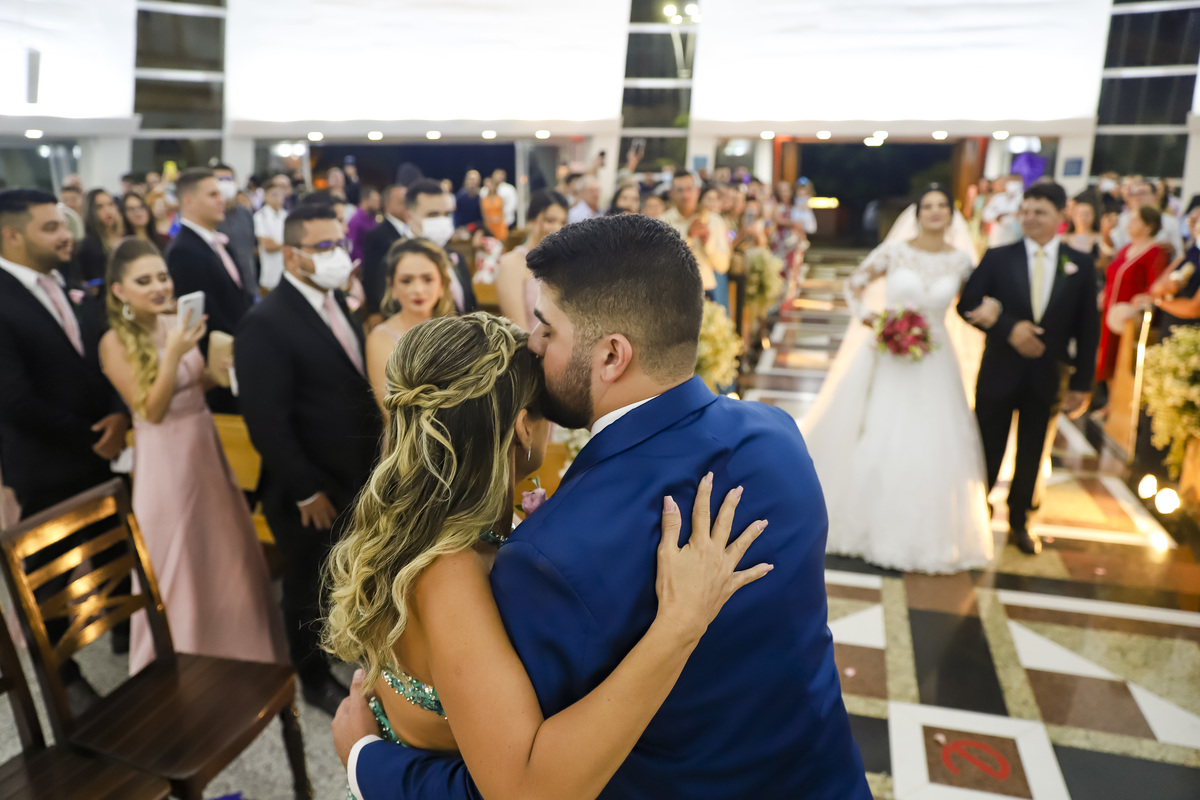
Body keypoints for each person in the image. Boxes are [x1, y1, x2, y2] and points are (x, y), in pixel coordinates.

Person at [338, 214, 871, 800]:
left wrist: (368, 762)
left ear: (612, 355)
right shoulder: (778, 435)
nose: (534, 344)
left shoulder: (550, 554)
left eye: (546, 328)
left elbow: (524, 785)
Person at [327, 311, 772, 799]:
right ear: (523, 427)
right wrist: (681, 624)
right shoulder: (449, 570)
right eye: (546, 410)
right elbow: (526, 790)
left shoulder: (422, 521)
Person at [98, 239, 286, 675]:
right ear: (119, 291)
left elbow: (193, 385)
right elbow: (151, 410)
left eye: (162, 277)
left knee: (221, 548)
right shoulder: (114, 342)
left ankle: (240, 651)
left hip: (203, 444)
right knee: (177, 557)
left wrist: (220, 370)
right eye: (144, 281)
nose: (159, 287)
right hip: (164, 459)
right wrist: (174, 353)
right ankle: (179, 664)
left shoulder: (174, 322)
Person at [235, 203, 383, 715]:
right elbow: (266, 421)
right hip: (308, 483)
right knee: (307, 581)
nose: (337, 254)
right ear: (293, 257)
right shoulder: (265, 323)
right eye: (324, 247)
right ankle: (312, 676)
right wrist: (305, 489)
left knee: (344, 570)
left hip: (352, 471)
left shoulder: (333, 300)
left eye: (339, 243)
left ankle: (344, 644)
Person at [802, 187, 994, 573]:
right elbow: (855, 283)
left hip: (936, 358)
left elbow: (978, 299)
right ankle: (863, 523)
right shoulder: (895, 251)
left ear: (952, 214)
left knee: (934, 439)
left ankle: (927, 534)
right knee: (879, 431)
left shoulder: (962, 260)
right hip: (890, 353)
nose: (935, 212)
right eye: (928, 206)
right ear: (917, 214)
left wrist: (994, 308)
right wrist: (871, 318)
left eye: (942, 206)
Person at [0, 189, 130, 709]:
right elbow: (13, 399)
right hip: (47, 462)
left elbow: (100, 355)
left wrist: (119, 413)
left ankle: (123, 631)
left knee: (113, 550)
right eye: (50, 227)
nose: (65, 236)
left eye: (63, 225)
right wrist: (93, 435)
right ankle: (63, 676)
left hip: (99, 450)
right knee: (49, 575)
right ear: (11, 235)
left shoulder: (65, 281)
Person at [958, 182, 1099, 555]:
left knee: (1034, 451)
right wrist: (1009, 328)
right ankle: (978, 511)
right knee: (987, 445)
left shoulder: (1079, 264)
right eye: (1026, 211)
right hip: (999, 370)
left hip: (1049, 375)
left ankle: (1021, 520)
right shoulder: (998, 257)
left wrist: (1082, 384)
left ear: (1061, 215)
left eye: (1040, 212)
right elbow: (967, 303)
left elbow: (1088, 328)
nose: (1030, 218)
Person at [165, 168, 254, 413]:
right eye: (213, 194)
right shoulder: (183, 250)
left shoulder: (217, 241)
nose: (221, 200)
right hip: (218, 362)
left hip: (239, 352)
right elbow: (203, 315)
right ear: (189, 201)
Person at [365, 238, 458, 408]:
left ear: (442, 285)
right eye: (406, 281)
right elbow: (389, 410)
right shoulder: (380, 338)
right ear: (392, 286)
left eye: (427, 279)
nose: (418, 290)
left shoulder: (456, 331)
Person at [1095, 205, 1169, 387]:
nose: (1129, 224)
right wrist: (1104, 293)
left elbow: (1155, 285)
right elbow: (1113, 274)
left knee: (1122, 361)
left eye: (1135, 220)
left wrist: (1141, 301)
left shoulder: (1156, 252)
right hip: (1110, 312)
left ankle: (1119, 400)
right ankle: (1109, 398)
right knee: (1106, 358)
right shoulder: (1127, 248)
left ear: (1148, 226)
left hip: (1130, 319)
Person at [495, 190, 568, 332]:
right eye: (550, 220)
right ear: (530, 221)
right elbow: (518, 330)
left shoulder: (564, 263)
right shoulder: (512, 263)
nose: (557, 228)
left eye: (563, 222)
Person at [404, 179, 477, 315]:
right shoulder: (397, 260)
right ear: (409, 217)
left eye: (447, 214)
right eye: (433, 215)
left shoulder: (455, 257)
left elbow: (471, 308)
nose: (442, 221)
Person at [661, 172, 729, 302]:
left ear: (697, 191)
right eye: (680, 190)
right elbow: (664, 264)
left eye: (689, 189)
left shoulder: (714, 221)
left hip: (706, 291)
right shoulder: (662, 222)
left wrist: (707, 242)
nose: (685, 195)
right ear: (671, 194)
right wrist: (689, 237)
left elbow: (723, 266)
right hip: (672, 292)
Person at [361, 184, 410, 322]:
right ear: (387, 205)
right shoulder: (377, 234)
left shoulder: (411, 229)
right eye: (402, 202)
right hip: (388, 304)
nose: (407, 206)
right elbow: (371, 274)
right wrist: (374, 309)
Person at [214, 164, 261, 297]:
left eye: (228, 179)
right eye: (220, 180)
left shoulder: (245, 213)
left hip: (249, 285)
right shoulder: (209, 217)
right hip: (223, 290)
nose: (225, 184)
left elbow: (253, 247)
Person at [1113, 181, 1184, 259]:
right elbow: (1115, 248)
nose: (1137, 197)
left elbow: (1179, 254)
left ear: (1155, 196)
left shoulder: (1170, 222)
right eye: (1133, 194)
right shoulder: (1122, 219)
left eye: (1142, 193)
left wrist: (1172, 250)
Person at [76, 189, 125, 288]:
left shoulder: (125, 235)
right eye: (100, 207)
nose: (108, 210)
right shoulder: (88, 245)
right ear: (91, 211)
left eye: (110, 204)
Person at [254, 176, 289, 291]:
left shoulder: (286, 216)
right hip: (270, 274)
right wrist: (287, 245)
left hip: (287, 271)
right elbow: (268, 246)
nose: (278, 198)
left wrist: (280, 245)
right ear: (265, 197)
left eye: (280, 194)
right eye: (274, 194)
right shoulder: (260, 216)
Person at [347, 186, 381, 265]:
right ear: (364, 201)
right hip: (361, 264)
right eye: (375, 201)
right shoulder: (355, 220)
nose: (378, 204)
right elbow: (352, 246)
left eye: (378, 201)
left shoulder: (373, 218)